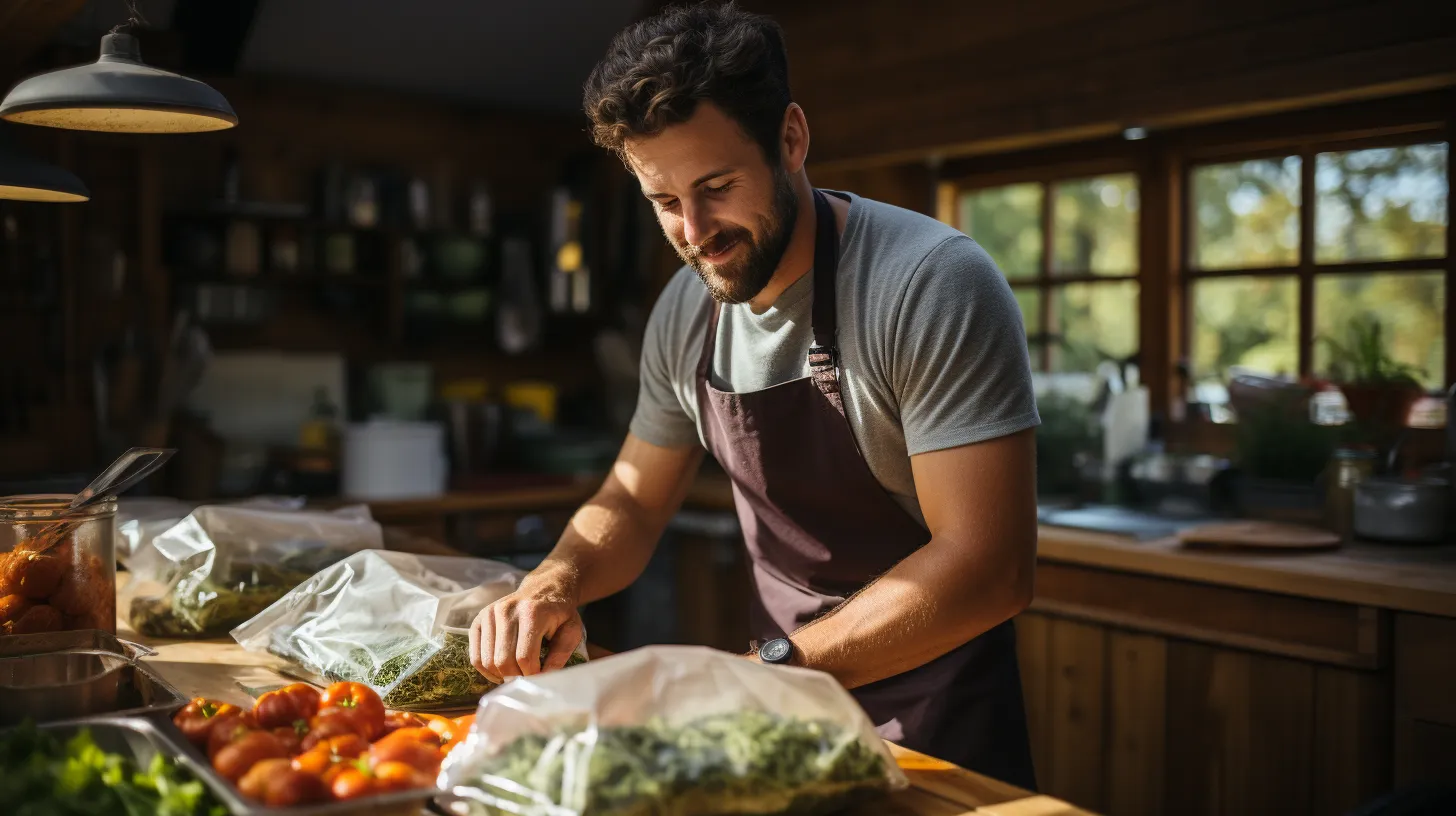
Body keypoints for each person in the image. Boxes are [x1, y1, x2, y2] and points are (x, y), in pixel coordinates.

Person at [469, 1, 1040, 788]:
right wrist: (552, 579)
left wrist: (764, 670)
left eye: (716, 186)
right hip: (775, 717)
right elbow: (633, 501)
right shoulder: (685, 310)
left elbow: (989, 566)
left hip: (935, 726)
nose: (696, 230)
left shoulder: (930, 282)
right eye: (665, 202)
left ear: (792, 139)